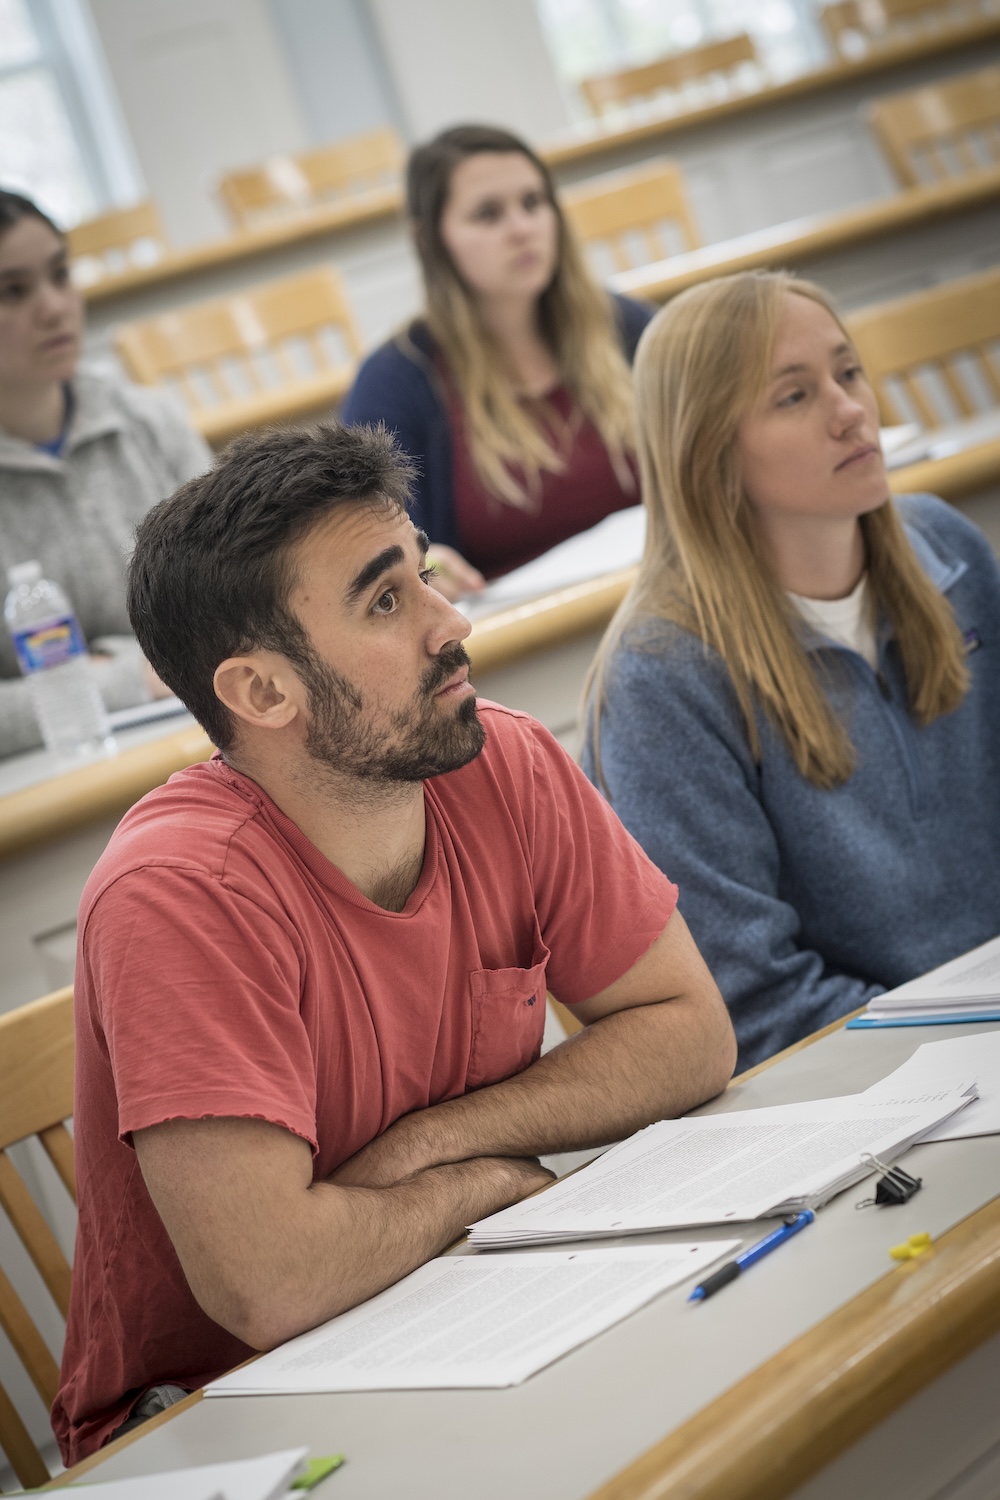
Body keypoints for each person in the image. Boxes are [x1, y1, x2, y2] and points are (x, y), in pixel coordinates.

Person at [54, 420, 736, 1465]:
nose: (449, 620)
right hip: (228, 1425)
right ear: (261, 693)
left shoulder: (497, 758)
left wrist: (424, 1147)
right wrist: (478, 1179)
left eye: (422, 575)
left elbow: (690, 1033)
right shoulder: (176, 894)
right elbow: (270, 1284)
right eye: (385, 600)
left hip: (472, 1309)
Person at [583, 270, 1000, 1073]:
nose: (851, 412)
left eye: (848, 373)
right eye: (794, 397)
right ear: (710, 454)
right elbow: (757, 1000)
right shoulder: (661, 679)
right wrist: (969, 1047)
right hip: (880, 1083)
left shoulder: (946, 548)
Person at [341, 124, 652, 598]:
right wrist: (422, 563)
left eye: (533, 203)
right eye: (488, 214)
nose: (522, 228)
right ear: (430, 240)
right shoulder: (395, 381)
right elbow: (364, 550)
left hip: (662, 590)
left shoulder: (622, 325)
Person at [0, 188, 210, 757]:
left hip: (202, 731)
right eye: (12, 291)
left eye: (60, 276)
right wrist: (128, 679)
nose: (53, 306)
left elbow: (238, 592)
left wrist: (93, 672)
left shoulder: (149, 419)